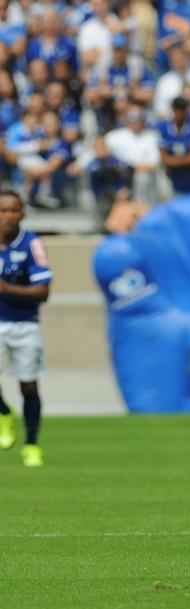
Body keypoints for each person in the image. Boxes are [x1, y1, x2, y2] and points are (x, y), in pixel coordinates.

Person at [0, 191, 52, 467]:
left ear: (22, 214)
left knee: (29, 387)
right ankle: (4, 413)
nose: (8, 216)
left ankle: (31, 444)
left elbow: (43, 291)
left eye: (13, 211)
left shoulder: (31, 244)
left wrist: (6, 289)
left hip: (24, 324)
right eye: (3, 210)